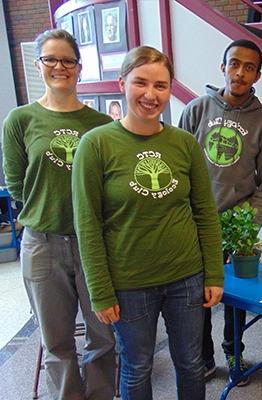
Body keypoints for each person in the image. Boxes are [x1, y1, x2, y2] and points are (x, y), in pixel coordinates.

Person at [72, 45, 224, 400]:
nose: (150, 95)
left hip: (186, 278)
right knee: (137, 367)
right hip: (129, 283)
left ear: (170, 89)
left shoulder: (184, 144)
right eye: (141, 83)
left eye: (161, 85)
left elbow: (204, 212)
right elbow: (88, 225)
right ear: (122, 83)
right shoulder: (95, 145)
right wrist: (100, 290)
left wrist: (213, 273)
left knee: (190, 362)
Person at [2, 29, 116, 400]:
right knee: (57, 342)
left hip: (93, 247)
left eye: (67, 60)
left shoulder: (100, 126)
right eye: (50, 59)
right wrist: (45, 209)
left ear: (79, 68)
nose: (59, 67)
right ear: (38, 65)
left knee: (102, 337)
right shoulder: (20, 120)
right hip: (42, 246)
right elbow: (17, 183)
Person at [178, 38, 262, 385]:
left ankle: (234, 353)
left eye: (248, 67)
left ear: (258, 75)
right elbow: (177, 168)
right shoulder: (195, 110)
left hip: (236, 229)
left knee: (234, 300)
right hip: (193, 226)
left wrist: (246, 227)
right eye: (234, 64)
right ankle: (204, 358)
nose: (239, 72)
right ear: (222, 67)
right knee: (198, 299)